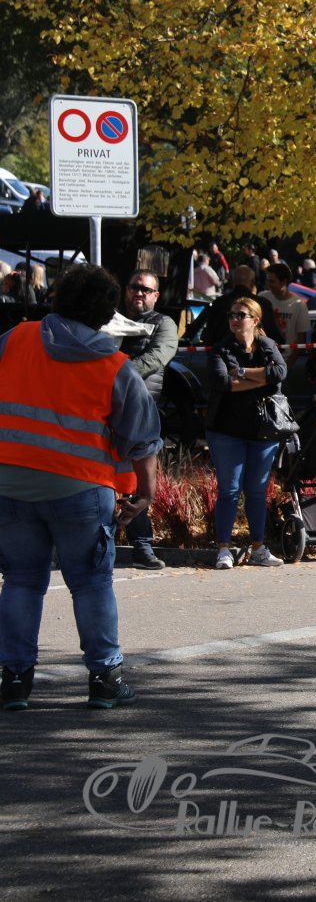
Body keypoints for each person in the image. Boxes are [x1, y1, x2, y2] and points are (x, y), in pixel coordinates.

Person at [0, 265, 161, 710]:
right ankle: (105, 679)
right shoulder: (115, 366)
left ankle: (14, 681)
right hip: (81, 490)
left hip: (10, 483)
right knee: (91, 584)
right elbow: (144, 441)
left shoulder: (16, 339)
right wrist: (145, 495)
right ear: (107, 312)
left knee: (21, 581)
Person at [205, 297, 288, 569]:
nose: (234, 319)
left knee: (256, 491)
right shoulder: (221, 349)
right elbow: (222, 382)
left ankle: (258, 548)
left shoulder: (267, 345)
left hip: (262, 431)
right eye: (231, 315)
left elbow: (280, 372)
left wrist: (242, 372)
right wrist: (261, 379)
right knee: (229, 490)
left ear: (255, 320)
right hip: (226, 431)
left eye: (240, 315)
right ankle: (223, 549)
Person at [118, 269, 179, 570]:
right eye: (135, 287)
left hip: (142, 412)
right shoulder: (110, 319)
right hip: (104, 411)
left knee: (140, 484)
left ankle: (142, 546)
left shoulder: (163, 323)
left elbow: (157, 357)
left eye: (146, 289)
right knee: (102, 481)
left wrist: (116, 373)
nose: (139, 293)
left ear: (156, 295)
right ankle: (99, 544)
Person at [259, 263, 312, 363]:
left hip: (285, 360)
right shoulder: (262, 298)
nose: (268, 284)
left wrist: (289, 363)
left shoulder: (299, 305)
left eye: (272, 281)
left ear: (283, 281)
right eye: (267, 280)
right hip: (263, 359)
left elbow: (301, 337)